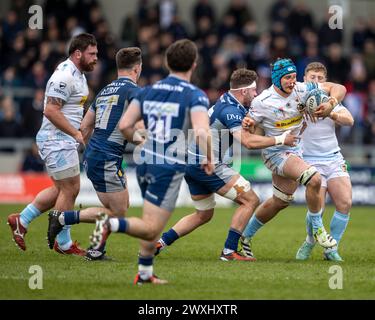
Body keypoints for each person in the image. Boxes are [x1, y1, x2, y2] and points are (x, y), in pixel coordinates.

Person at [89, 39, 214, 284]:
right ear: (194, 64)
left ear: (167, 63)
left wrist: (141, 142)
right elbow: (201, 132)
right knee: (151, 228)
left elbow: (125, 125)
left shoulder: (147, 91)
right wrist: (208, 157)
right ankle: (110, 225)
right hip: (167, 167)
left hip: (144, 162)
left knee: (150, 221)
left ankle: (145, 273)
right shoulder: (195, 95)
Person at [154, 68, 298, 261]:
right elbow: (247, 142)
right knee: (250, 200)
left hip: (192, 162)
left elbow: (245, 128)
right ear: (244, 91)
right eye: (254, 91)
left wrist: (250, 125)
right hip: (206, 164)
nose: (255, 95)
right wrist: (281, 139)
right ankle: (229, 251)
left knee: (203, 214)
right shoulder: (231, 110)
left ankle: (159, 243)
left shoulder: (227, 101)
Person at [239, 58, 347, 259]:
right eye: (288, 78)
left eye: (294, 76)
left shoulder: (301, 89)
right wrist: (252, 126)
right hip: (276, 153)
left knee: (280, 201)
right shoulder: (262, 101)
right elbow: (248, 138)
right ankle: (318, 229)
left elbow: (338, 87)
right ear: (277, 79)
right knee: (314, 178)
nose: (292, 81)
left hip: (295, 151)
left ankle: (245, 237)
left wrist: (331, 103)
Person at [46, 47, 143, 261]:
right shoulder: (134, 92)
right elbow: (137, 128)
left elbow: (85, 126)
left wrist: (94, 150)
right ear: (138, 68)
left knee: (119, 206)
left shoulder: (105, 90)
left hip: (97, 155)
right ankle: (62, 218)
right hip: (107, 157)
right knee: (117, 212)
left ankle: (96, 250)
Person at [7, 33, 98, 255]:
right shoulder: (65, 75)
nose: (96, 58)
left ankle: (22, 220)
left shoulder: (79, 75)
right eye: (92, 53)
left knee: (61, 189)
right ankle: (63, 242)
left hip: (62, 140)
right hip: (55, 140)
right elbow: (50, 110)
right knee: (71, 188)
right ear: (78, 53)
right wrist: (76, 133)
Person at [295, 62, 354, 262]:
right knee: (317, 208)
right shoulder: (297, 100)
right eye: (313, 77)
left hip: (333, 158)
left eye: (321, 78)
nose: (317, 81)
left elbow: (350, 120)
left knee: (345, 202)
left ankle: (331, 249)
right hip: (310, 159)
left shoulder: (331, 100)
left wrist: (332, 112)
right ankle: (310, 240)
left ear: (325, 81)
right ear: (305, 79)